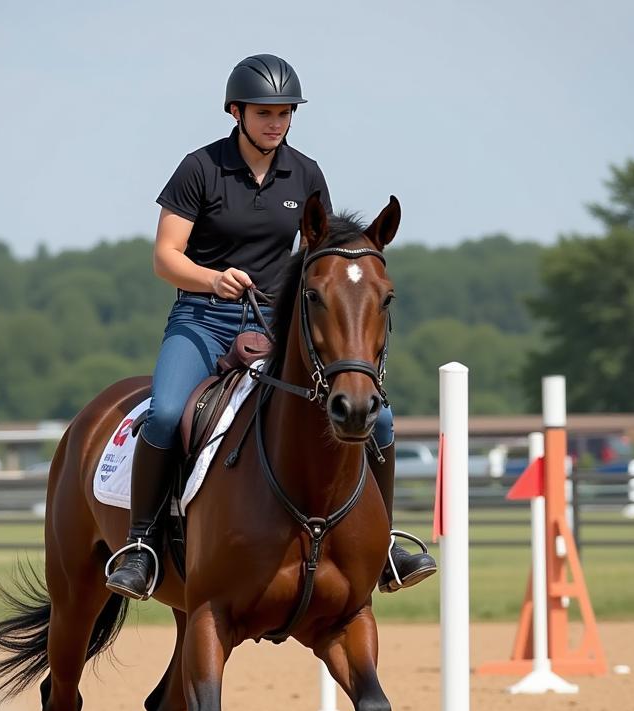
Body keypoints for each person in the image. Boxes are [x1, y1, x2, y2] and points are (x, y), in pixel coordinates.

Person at [105, 54, 436, 600]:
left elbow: (324, 252)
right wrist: (213, 280)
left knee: (377, 420)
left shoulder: (305, 173)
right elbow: (165, 257)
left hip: (276, 323)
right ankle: (141, 546)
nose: (276, 122)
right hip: (202, 317)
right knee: (165, 413)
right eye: (265, 112)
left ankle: (386, 549)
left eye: (285, 113)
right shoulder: (200, 168)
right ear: (236, 111)